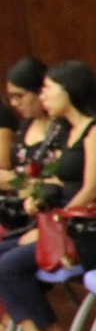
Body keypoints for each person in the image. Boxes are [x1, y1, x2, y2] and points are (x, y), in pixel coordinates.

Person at [0, 62, 96, 331]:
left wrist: (51, 227)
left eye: (48, 89)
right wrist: (41, 197)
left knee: (9, 264)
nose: (43, 96)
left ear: (71, 91)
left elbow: (92, 189)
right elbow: (65, 183)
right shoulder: (71, 131)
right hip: (70, 226)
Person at [0, 58, 58, 233]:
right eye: (10, 97)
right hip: (22, 215)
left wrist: (17, 184)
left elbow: (64, 184)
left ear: (41, 91)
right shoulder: (26, 125)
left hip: (50, 218)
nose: (15, 104)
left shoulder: (62, 129)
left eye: (19, 96)